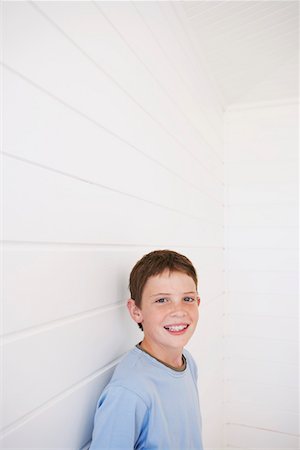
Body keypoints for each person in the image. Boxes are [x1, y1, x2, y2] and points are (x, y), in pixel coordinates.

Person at [89, 249, 203, 450]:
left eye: (187, 299)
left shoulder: (188, 362)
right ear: (136, 311)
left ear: (198, 302)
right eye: (162, 300)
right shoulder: (129, 391)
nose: (178, 311)